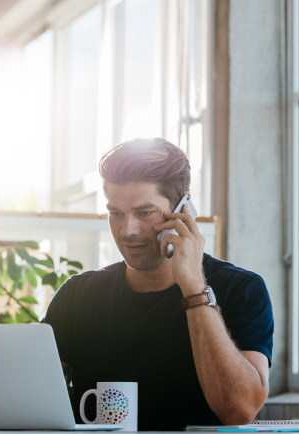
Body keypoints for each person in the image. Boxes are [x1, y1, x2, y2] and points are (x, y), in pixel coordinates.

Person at [43, 138, 274, 431]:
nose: (127, 230)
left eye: (144, 213)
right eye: (116, 213)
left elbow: (239, 410)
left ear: (184, 209)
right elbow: (28, 396)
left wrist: (194, 288)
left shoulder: (242, 289)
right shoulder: (78, 295)